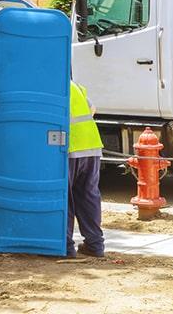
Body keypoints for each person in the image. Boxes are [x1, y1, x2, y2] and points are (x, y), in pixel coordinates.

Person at [67, 80, 105, 258]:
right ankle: (95, 245)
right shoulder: (75, 86)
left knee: (64, 197)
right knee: (88, 195)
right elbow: (92, 108)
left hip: (70, 147)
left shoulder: (52, 85)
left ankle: (65, 246)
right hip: (91, 145)